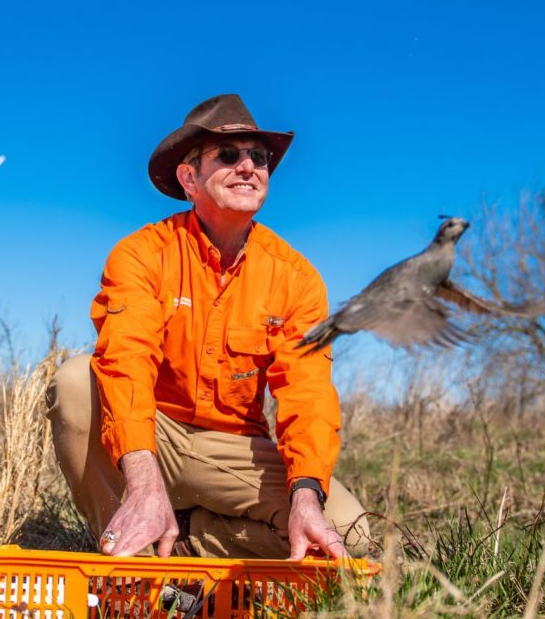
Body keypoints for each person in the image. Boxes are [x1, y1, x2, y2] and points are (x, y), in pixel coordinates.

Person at [48, 93, 372, 561]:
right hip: (150, 435)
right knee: (77, 381)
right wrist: (142, 477)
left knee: (350, 535)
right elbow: (126, 359)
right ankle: (126, 557)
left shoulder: (296, 277)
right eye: (228, 155)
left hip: (232, 448)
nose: (249, 166)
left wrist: (305, 495)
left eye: (259, 158)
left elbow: (307, 394)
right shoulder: (142, 253)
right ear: (188, 177)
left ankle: (187, 538)